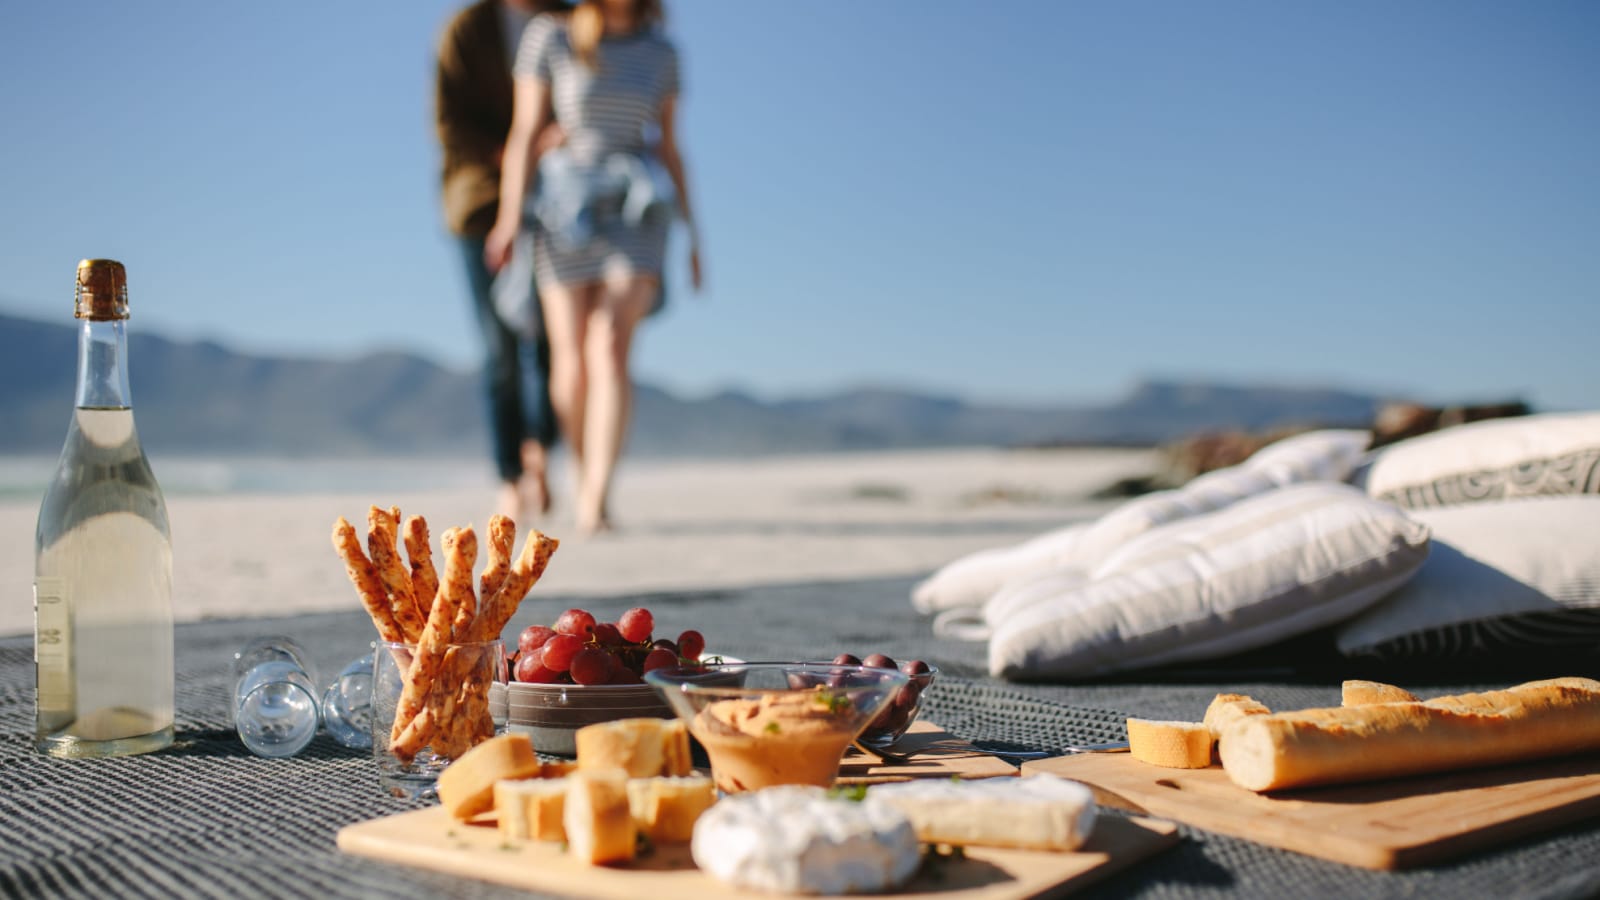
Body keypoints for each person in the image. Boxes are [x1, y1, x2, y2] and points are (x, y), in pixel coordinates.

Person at [486, 0, 701, 535]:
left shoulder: (663, 51)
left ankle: (597, 499)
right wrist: (509, 217)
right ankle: (583, 475)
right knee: (570, 358)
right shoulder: (550, 36)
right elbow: (525, 133)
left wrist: (695, 233)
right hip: (563, 205)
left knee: (610, 344)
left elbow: (671, 146)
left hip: (636, 204)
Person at [434, 0, 571, 520]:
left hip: (562, 208)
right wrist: (518, 153)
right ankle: (509, 478)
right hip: (480, 209)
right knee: (499, 350)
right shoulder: (466, 30)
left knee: (556, 348)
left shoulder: (573, 20)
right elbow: (449, 122)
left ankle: (540, 450)